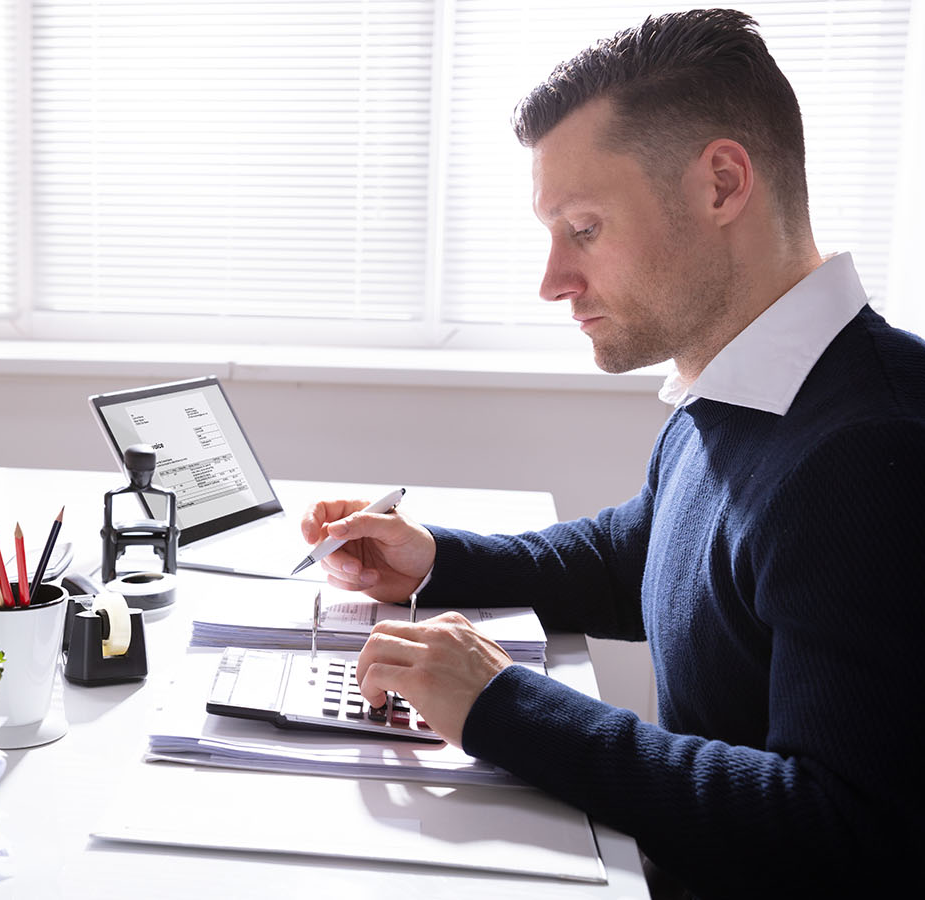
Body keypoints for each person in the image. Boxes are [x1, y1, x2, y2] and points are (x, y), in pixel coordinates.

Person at [301, 10, 924, 898]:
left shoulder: (876, 453)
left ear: (720, 184)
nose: (553, 280)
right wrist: (437, 560)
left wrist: (505, 705)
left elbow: (843, 830)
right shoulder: (744, 386)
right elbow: (642, 556)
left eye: (584, 228)